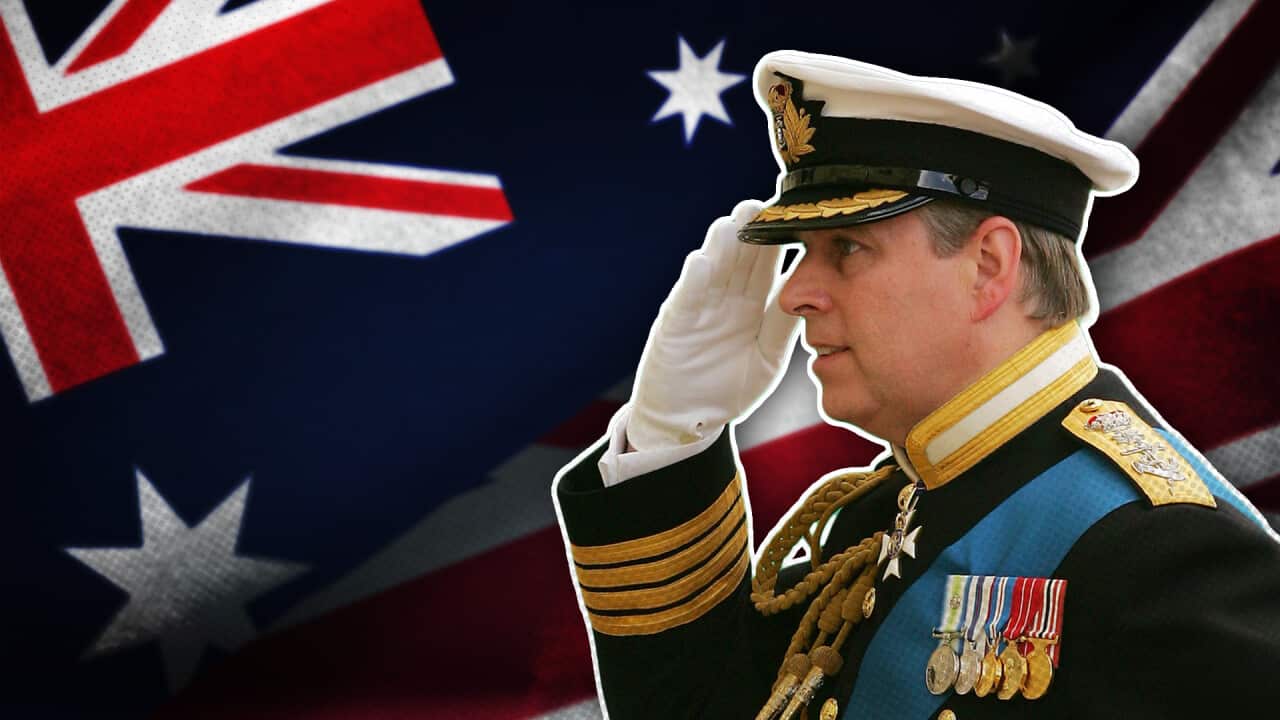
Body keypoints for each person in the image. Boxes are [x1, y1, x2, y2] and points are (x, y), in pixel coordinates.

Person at [551, 50, 1280, 720]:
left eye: (848, 247)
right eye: (804, 251)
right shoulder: (885, 508)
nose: (796, 292)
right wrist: (671, 435)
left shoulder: (1162, 550)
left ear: (990, 266)